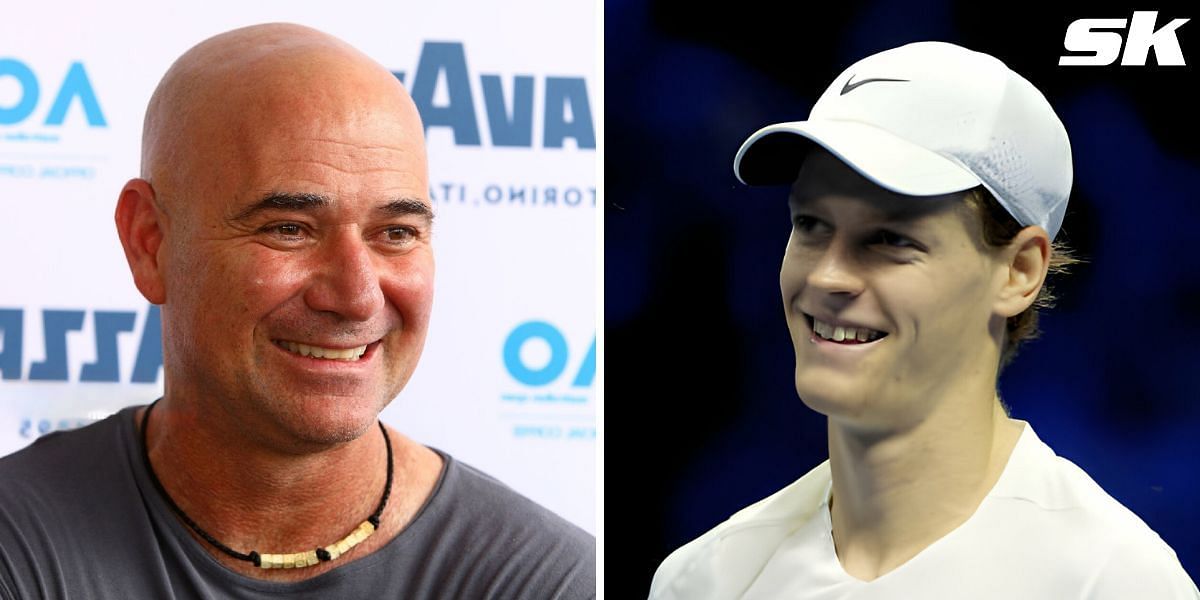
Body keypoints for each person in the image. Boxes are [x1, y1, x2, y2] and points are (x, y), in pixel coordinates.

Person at [0, 23, 594, 599]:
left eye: (395, 233)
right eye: (290, 229)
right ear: (149, 242)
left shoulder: (549, 580)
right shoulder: (18, 538)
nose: (358, 295)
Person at [648, 41, 1197, 599]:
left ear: (1018, 270)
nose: (827, 277)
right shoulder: (707, 578)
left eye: (889, 238)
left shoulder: (1112, 581)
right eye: (811, 224)